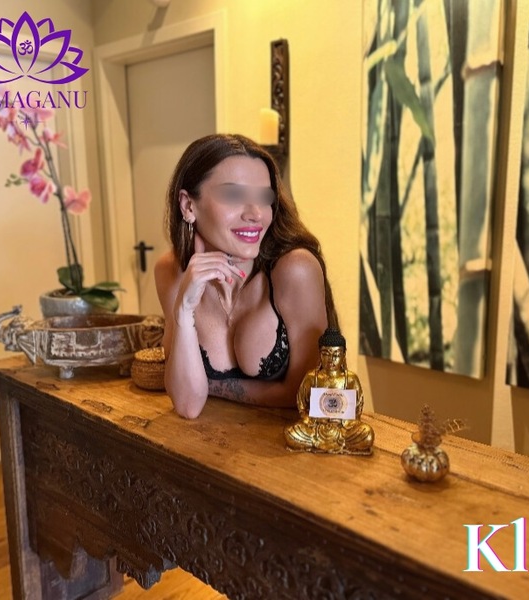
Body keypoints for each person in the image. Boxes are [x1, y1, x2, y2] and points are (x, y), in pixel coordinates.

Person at [155, 133, 338, 418]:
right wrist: (184, 309)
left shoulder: (295, 270)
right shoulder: (171, 271)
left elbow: (310, 395)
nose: (256, 214)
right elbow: (188, 405)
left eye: (264, 198)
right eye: (234, 196)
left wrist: (212, 387)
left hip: (288, 442)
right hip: (207, 439)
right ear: (188, 206)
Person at [284, 327, 374, 455]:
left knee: (367, 434)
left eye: (336, 354)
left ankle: (331, 442)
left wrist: (346, 421)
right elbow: (302, 405)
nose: (331, 359)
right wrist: (308, 419)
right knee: (290, 433)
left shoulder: (350, 379)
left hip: (343, 428)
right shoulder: (312, 377)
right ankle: (322, 442)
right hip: (316, 427)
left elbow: (357, 408)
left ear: (343, 355)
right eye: (326, 354)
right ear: (320, 354)